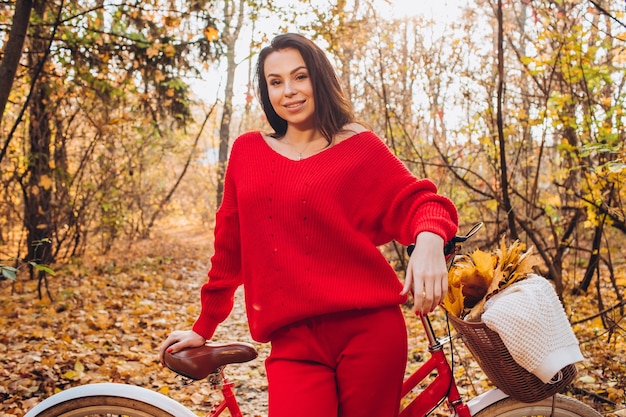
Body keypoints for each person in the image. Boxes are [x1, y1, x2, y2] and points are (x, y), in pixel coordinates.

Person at [159, 33, 458, 417]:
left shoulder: (360, 146)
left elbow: (422, 202)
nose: (289, 91)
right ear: (266, 91)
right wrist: (204, 326)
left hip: (370, 332)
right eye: (276, 81)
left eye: (299, 76)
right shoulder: (247, 151)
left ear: (318, 78)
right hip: (293, 341)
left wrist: (431, 240)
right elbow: (230, 248)